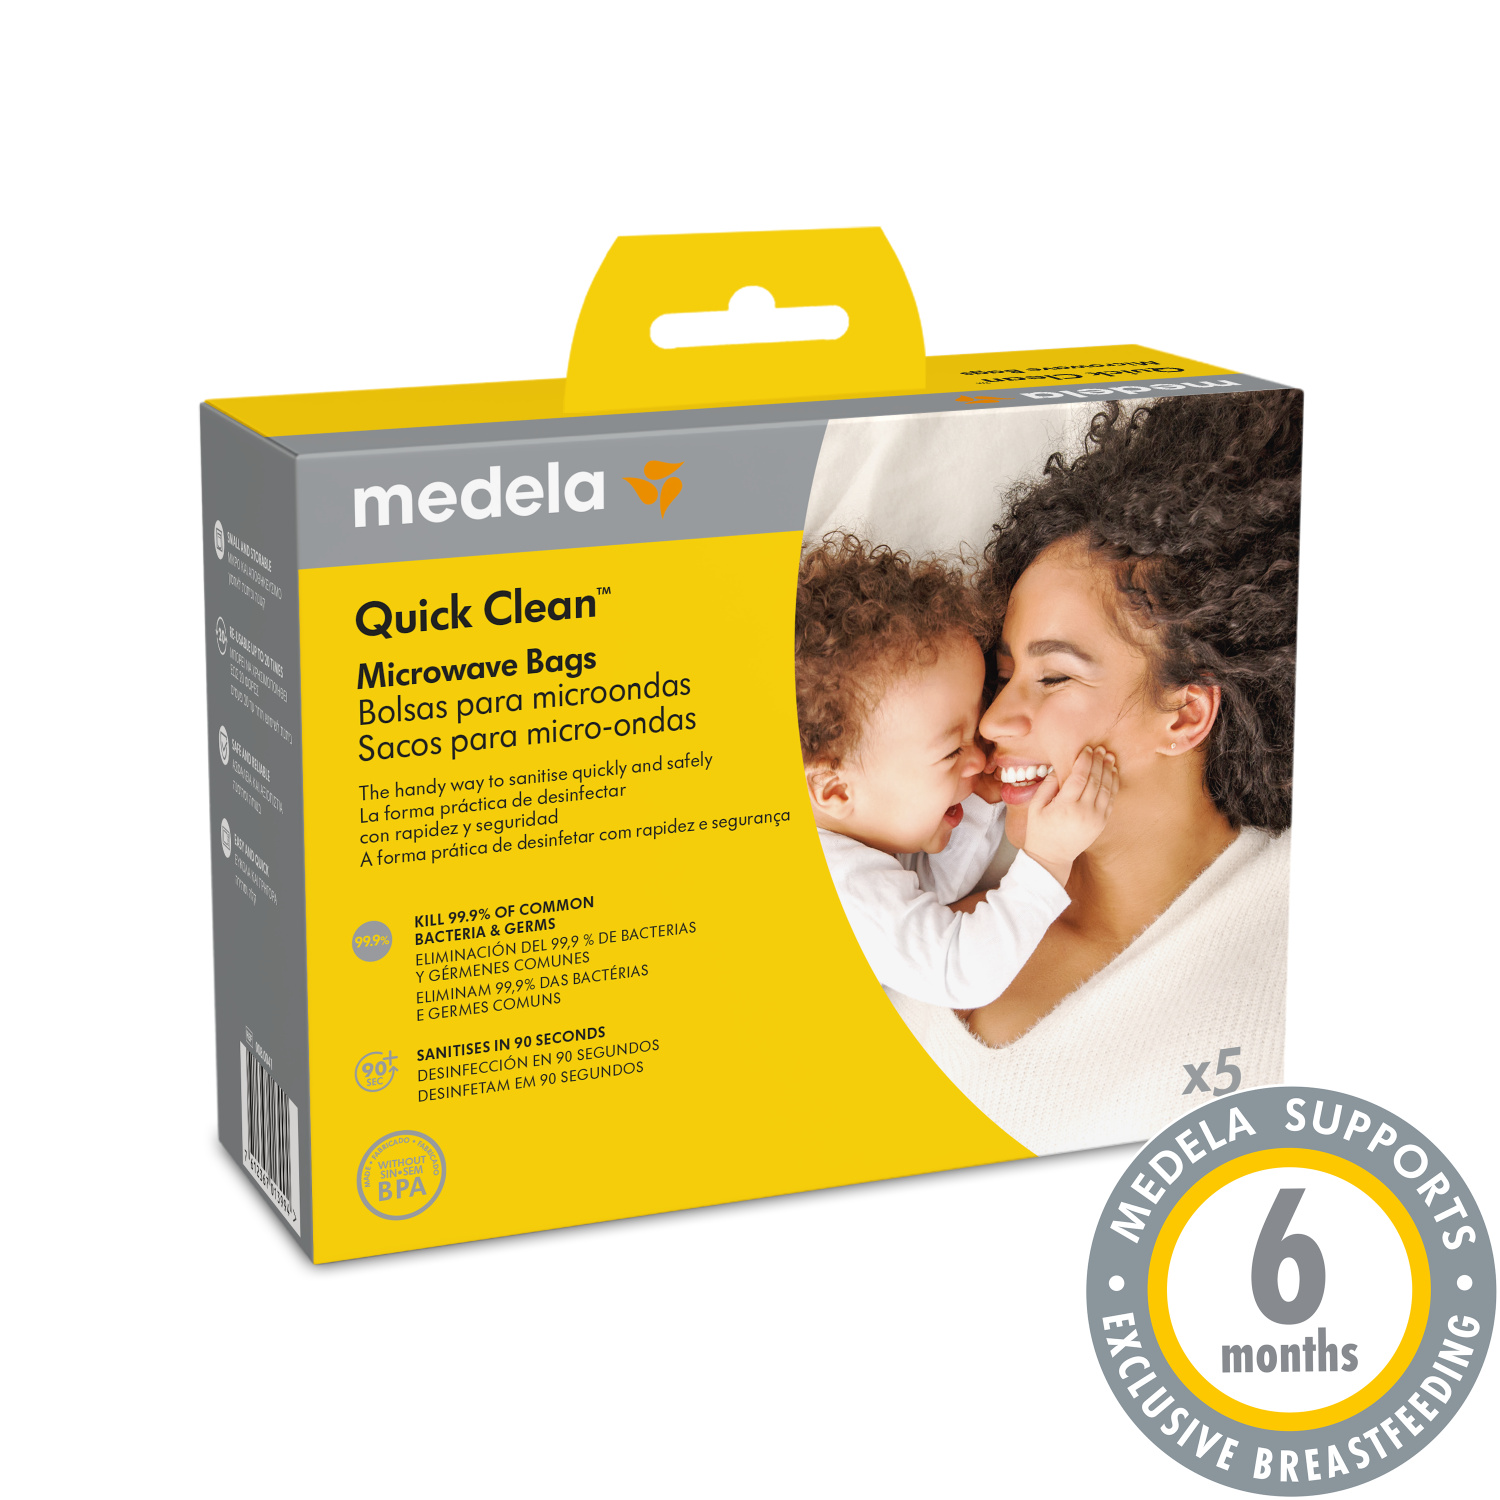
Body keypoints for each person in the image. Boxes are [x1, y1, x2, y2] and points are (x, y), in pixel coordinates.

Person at [888, 389, 1299, 1151]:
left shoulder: (1305, 924)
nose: (993, 722)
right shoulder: (918, 907)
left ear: (1185, 714)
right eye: (1004, 676)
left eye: (1054, 677)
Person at [796, 533, 1117, 1011]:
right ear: (836, 789)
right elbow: (959, 969)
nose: (981, 755)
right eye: (952, 751)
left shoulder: (855, 846)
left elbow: (930, 895)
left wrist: (980, 804)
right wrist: (1047, 861)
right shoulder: (838, 884)